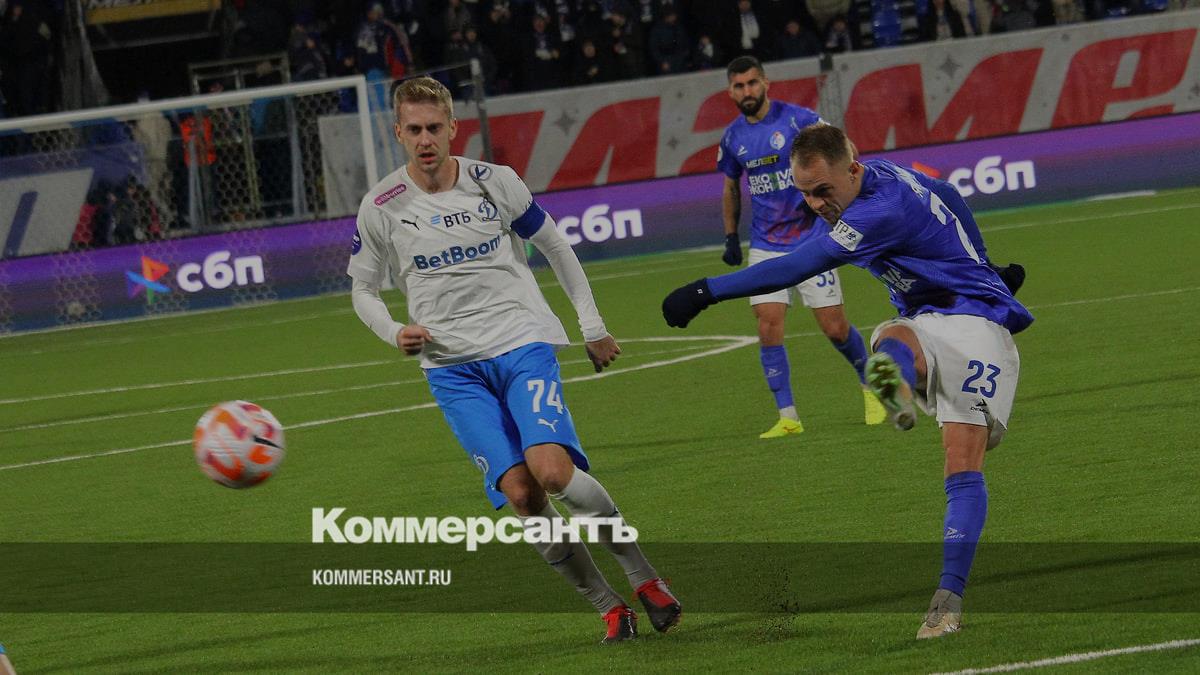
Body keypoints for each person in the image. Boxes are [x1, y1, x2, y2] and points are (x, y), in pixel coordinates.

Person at [663, 123, 1034, 639]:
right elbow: (947, 192)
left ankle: (947, 597)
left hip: (977, 328)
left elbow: (797, 266)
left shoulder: (874, 213)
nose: (815, 204)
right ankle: (893, 383)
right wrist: (985, 264)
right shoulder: (882, 175)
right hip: (929, 316)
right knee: (892, 340)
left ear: (852, 171)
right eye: (805, 194)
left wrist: (705, 291)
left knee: (961, 462)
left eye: (822, 191)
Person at [348, 77, 681, 644]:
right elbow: (362, 290)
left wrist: (592, 326)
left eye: (435, 128)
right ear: (398, 133)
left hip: (521, 343)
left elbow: (555, 245)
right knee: (523, 495)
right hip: (452, 370)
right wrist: (393, 331)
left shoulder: (493, 181)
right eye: (415, 129)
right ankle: (609, 607)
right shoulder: (381, 206)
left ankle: (645, 578)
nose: (426, 140)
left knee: (551, 472)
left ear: (453, 128)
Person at [717, 56, 886, 439]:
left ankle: (870, 386)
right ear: (731, 91)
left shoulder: (798, 120)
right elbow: (730, 187)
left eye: (752, 83)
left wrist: (840, 196)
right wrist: (730, 235)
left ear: (766, 83)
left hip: (811, 240)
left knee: (835, 328)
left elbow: (844, 148)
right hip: (765, 243)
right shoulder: (732, 138)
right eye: (739, 86)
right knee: (768, 324)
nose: (747, 91)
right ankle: (788, 417)